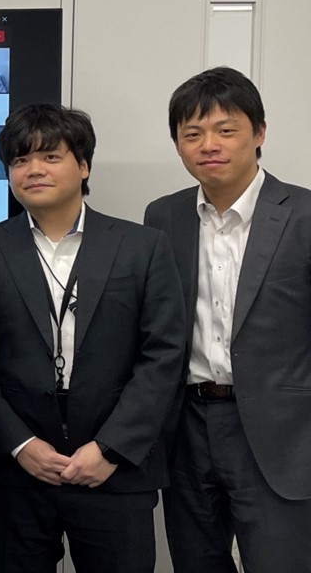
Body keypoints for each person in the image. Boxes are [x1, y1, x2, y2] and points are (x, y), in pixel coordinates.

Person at [0, 103, 187, 573]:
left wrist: (110, 449)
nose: (33, 170)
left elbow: (164, 355)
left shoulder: (142, 247)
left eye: (50, 157)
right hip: (19, 474)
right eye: (20, 161)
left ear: (83, 166)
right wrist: (21, 445)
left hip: (115, 473)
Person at [144, 67, 311, 572]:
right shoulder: (163, 217)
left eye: (226, 129)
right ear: (177, 144)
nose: (208, 145)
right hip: (187, 427)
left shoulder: (303, 215)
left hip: (282, 434)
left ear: (259, 133)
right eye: (191, 134)